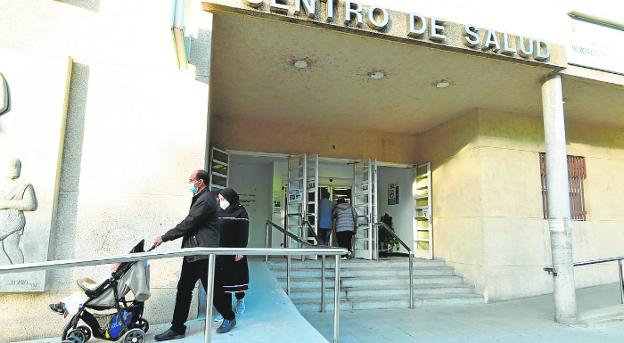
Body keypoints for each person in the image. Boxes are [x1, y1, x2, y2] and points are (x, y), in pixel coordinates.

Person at [153, 170, 236, 341]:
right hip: (193, 252)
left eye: (191, 180)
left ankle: (229, 317)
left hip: (203, 253)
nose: (189, 183)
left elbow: (189, 223)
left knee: (213, 289)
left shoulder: (206, 200)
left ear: (200, 182)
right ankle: (177, 328)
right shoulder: (201, 198)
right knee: (184, 290)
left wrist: (165, 237)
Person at [214, 188, 249, 320]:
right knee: (223, 283)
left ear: (231, 198)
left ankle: (240, 300)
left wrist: (240, 250)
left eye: (223, 199)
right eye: (220, 199)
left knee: (237, 280)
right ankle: (225, 311)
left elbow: (244, 232)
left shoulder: (240, 211)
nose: (221, 202)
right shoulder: (217, 210)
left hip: (235, 252)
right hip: (220, 252)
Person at [0, 156, 37, 265]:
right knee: (9, 248)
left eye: (17, 166)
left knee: (11, 247)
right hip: (4, 219)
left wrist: (5, 204)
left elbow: (30, 205)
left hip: (13, 220)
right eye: (12, 166)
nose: (15, 168)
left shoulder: (24, 186)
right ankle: (13, 272)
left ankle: (18, 271)